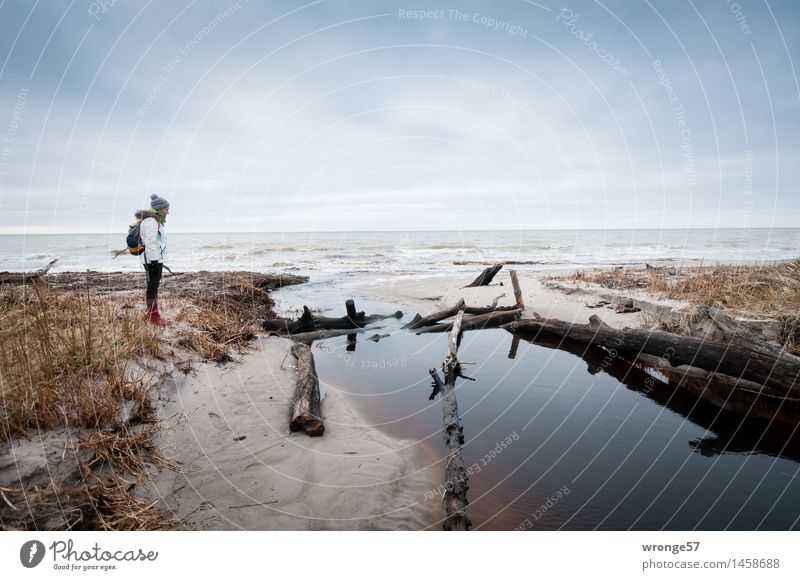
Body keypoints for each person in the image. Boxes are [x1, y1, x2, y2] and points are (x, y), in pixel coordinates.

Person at [137, 194, 170, 326]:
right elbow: (150, 242)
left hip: (153, 258)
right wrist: (155, 261)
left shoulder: (154, 220)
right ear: (159, 209)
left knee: (153, 286)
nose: (168, 211)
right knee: (152, 287)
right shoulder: (151, 221)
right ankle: (153, 316)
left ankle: (152, 313)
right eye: (166, 209)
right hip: (152, 260)